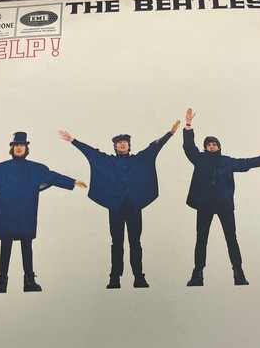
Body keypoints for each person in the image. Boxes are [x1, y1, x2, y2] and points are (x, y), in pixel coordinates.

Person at [59, 120, 180, 289]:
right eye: (119, 142)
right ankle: (114, 278)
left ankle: (139, 277)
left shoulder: (139, 159)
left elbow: (154, 147)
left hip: (134, 205)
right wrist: (73, 140)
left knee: (135, 242)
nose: (122, 144)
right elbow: (90, 153)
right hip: (115, 206)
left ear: (129, 145)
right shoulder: (108, 161)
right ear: (115, 147)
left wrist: (170, 133)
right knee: (116, 242)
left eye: (125, 142)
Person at [0, 132, 87, 293]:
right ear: (11, 148)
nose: (19, 147)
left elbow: (53, 177)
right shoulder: (0, 168)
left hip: (26, 211)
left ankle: (29, 281)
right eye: (16, 145)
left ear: (26, 149)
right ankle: (2, 281)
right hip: (5, 212)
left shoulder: (36, 168)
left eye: (22, 145)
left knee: (26, 244)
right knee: (6, 244)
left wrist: (73, 182)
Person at [183, 108, 260, 286]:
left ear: (219, 147)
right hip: (205, 205)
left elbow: (247, 163)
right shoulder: (200, 159)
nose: (211, 146)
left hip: (224, 205)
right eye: (208, 144)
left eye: (214, 144)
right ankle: (197, 274)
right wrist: (188, 125)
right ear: (205, 148)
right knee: (201, 239)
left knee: (231, 238)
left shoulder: (227, 161)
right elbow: (188, 147)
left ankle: (238, 273)